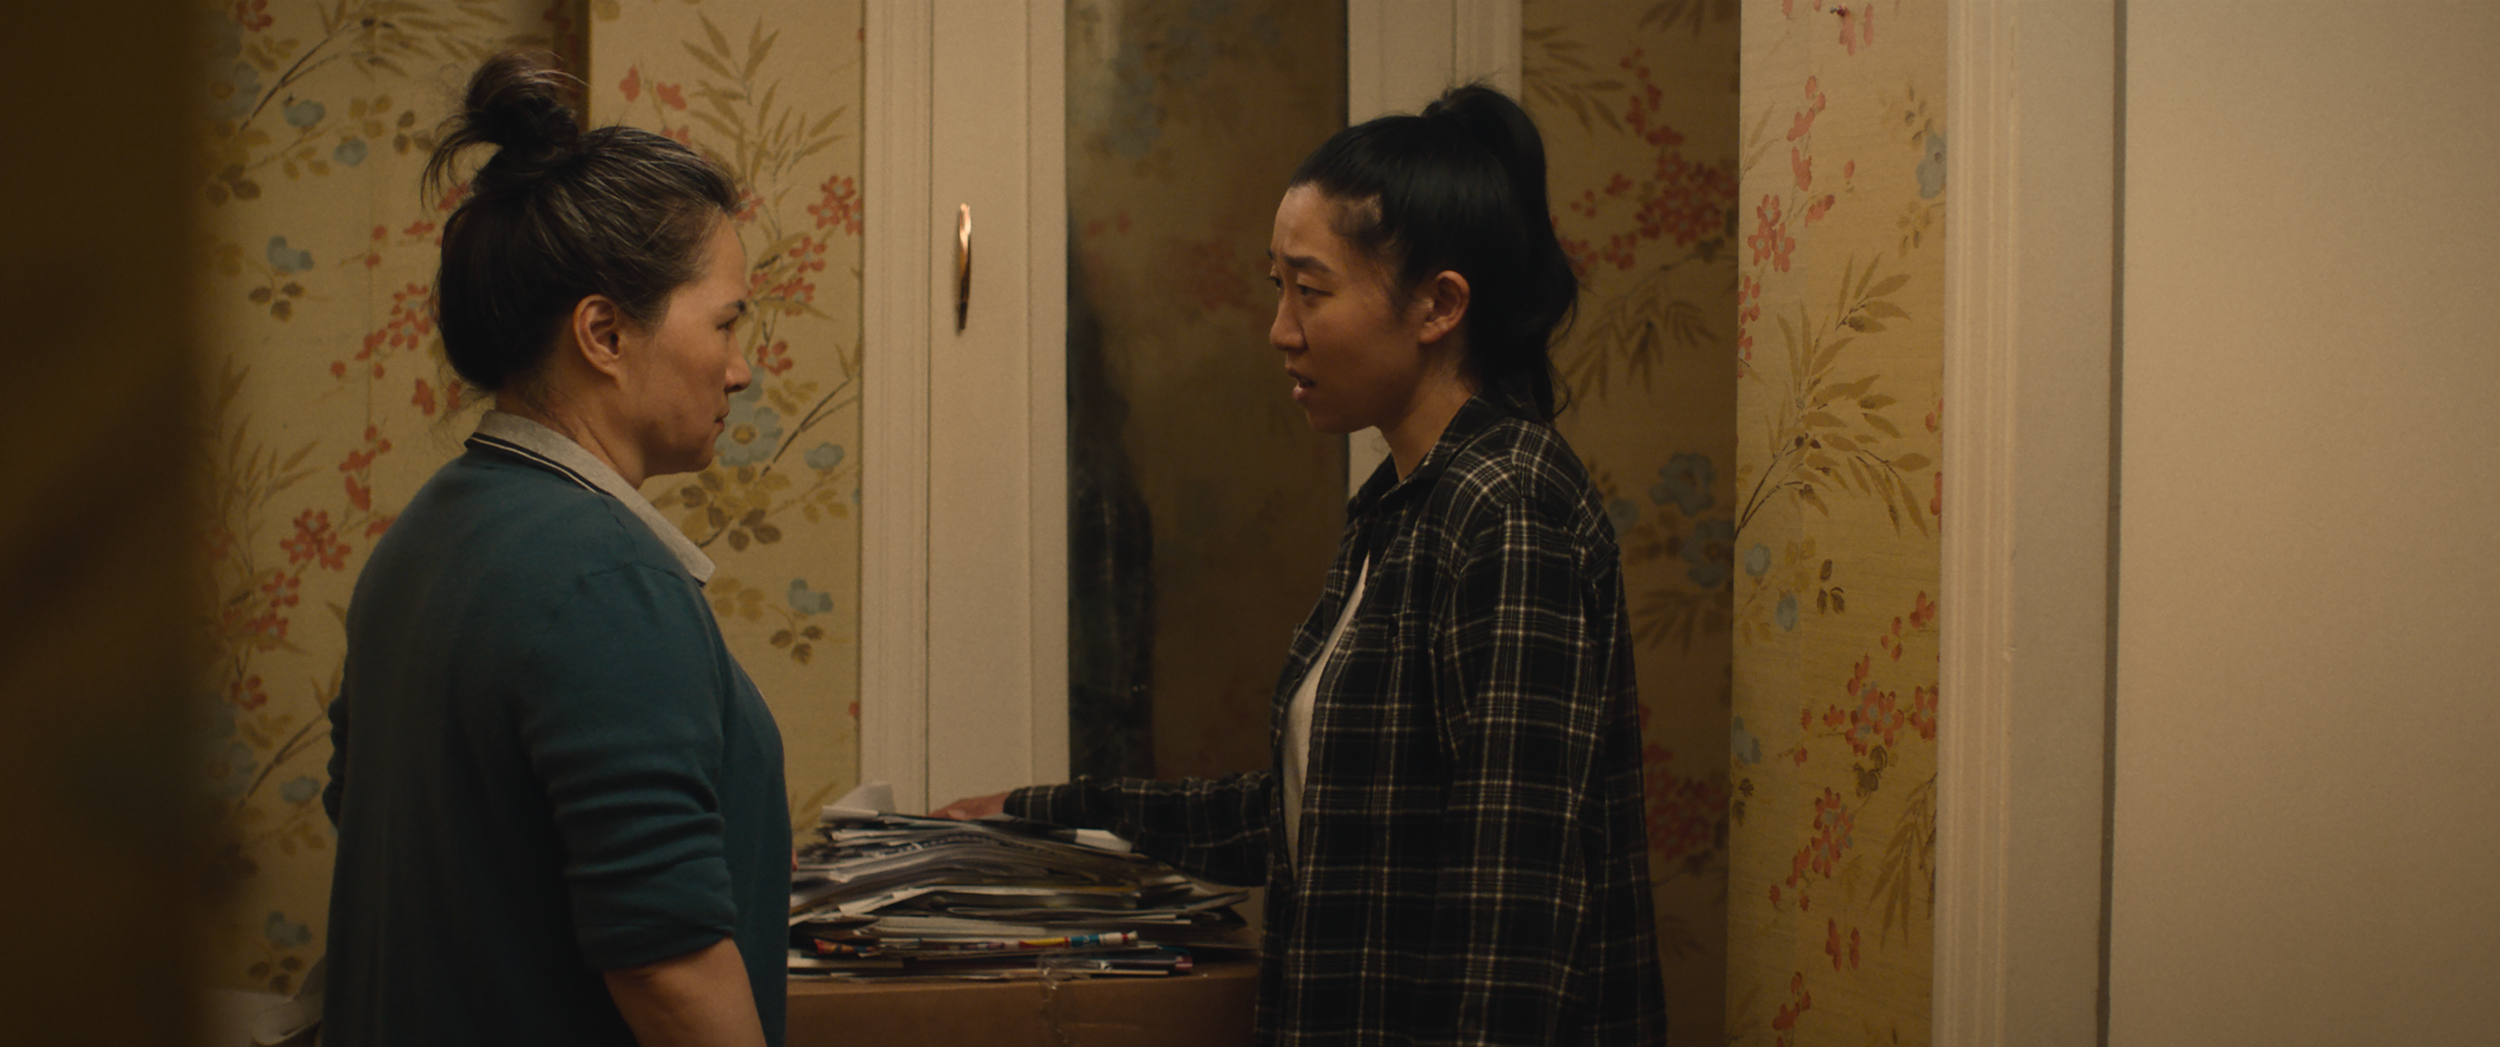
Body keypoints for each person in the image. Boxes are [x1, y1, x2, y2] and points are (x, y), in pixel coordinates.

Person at [939, 84, 1668, 1045]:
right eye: (1276, 285)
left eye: (1311, 290)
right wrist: (1040, 814)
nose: (1281, 327)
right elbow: (1311, 811)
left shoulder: (1506, 506)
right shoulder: (1401, 508)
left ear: (1439, 305)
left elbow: (1515, 906)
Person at [321, 52, 787, 1047]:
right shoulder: (603, 579)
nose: (741, 370)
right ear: (604, 334)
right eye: (726, 324)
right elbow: (666, 965)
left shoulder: (426, 538)